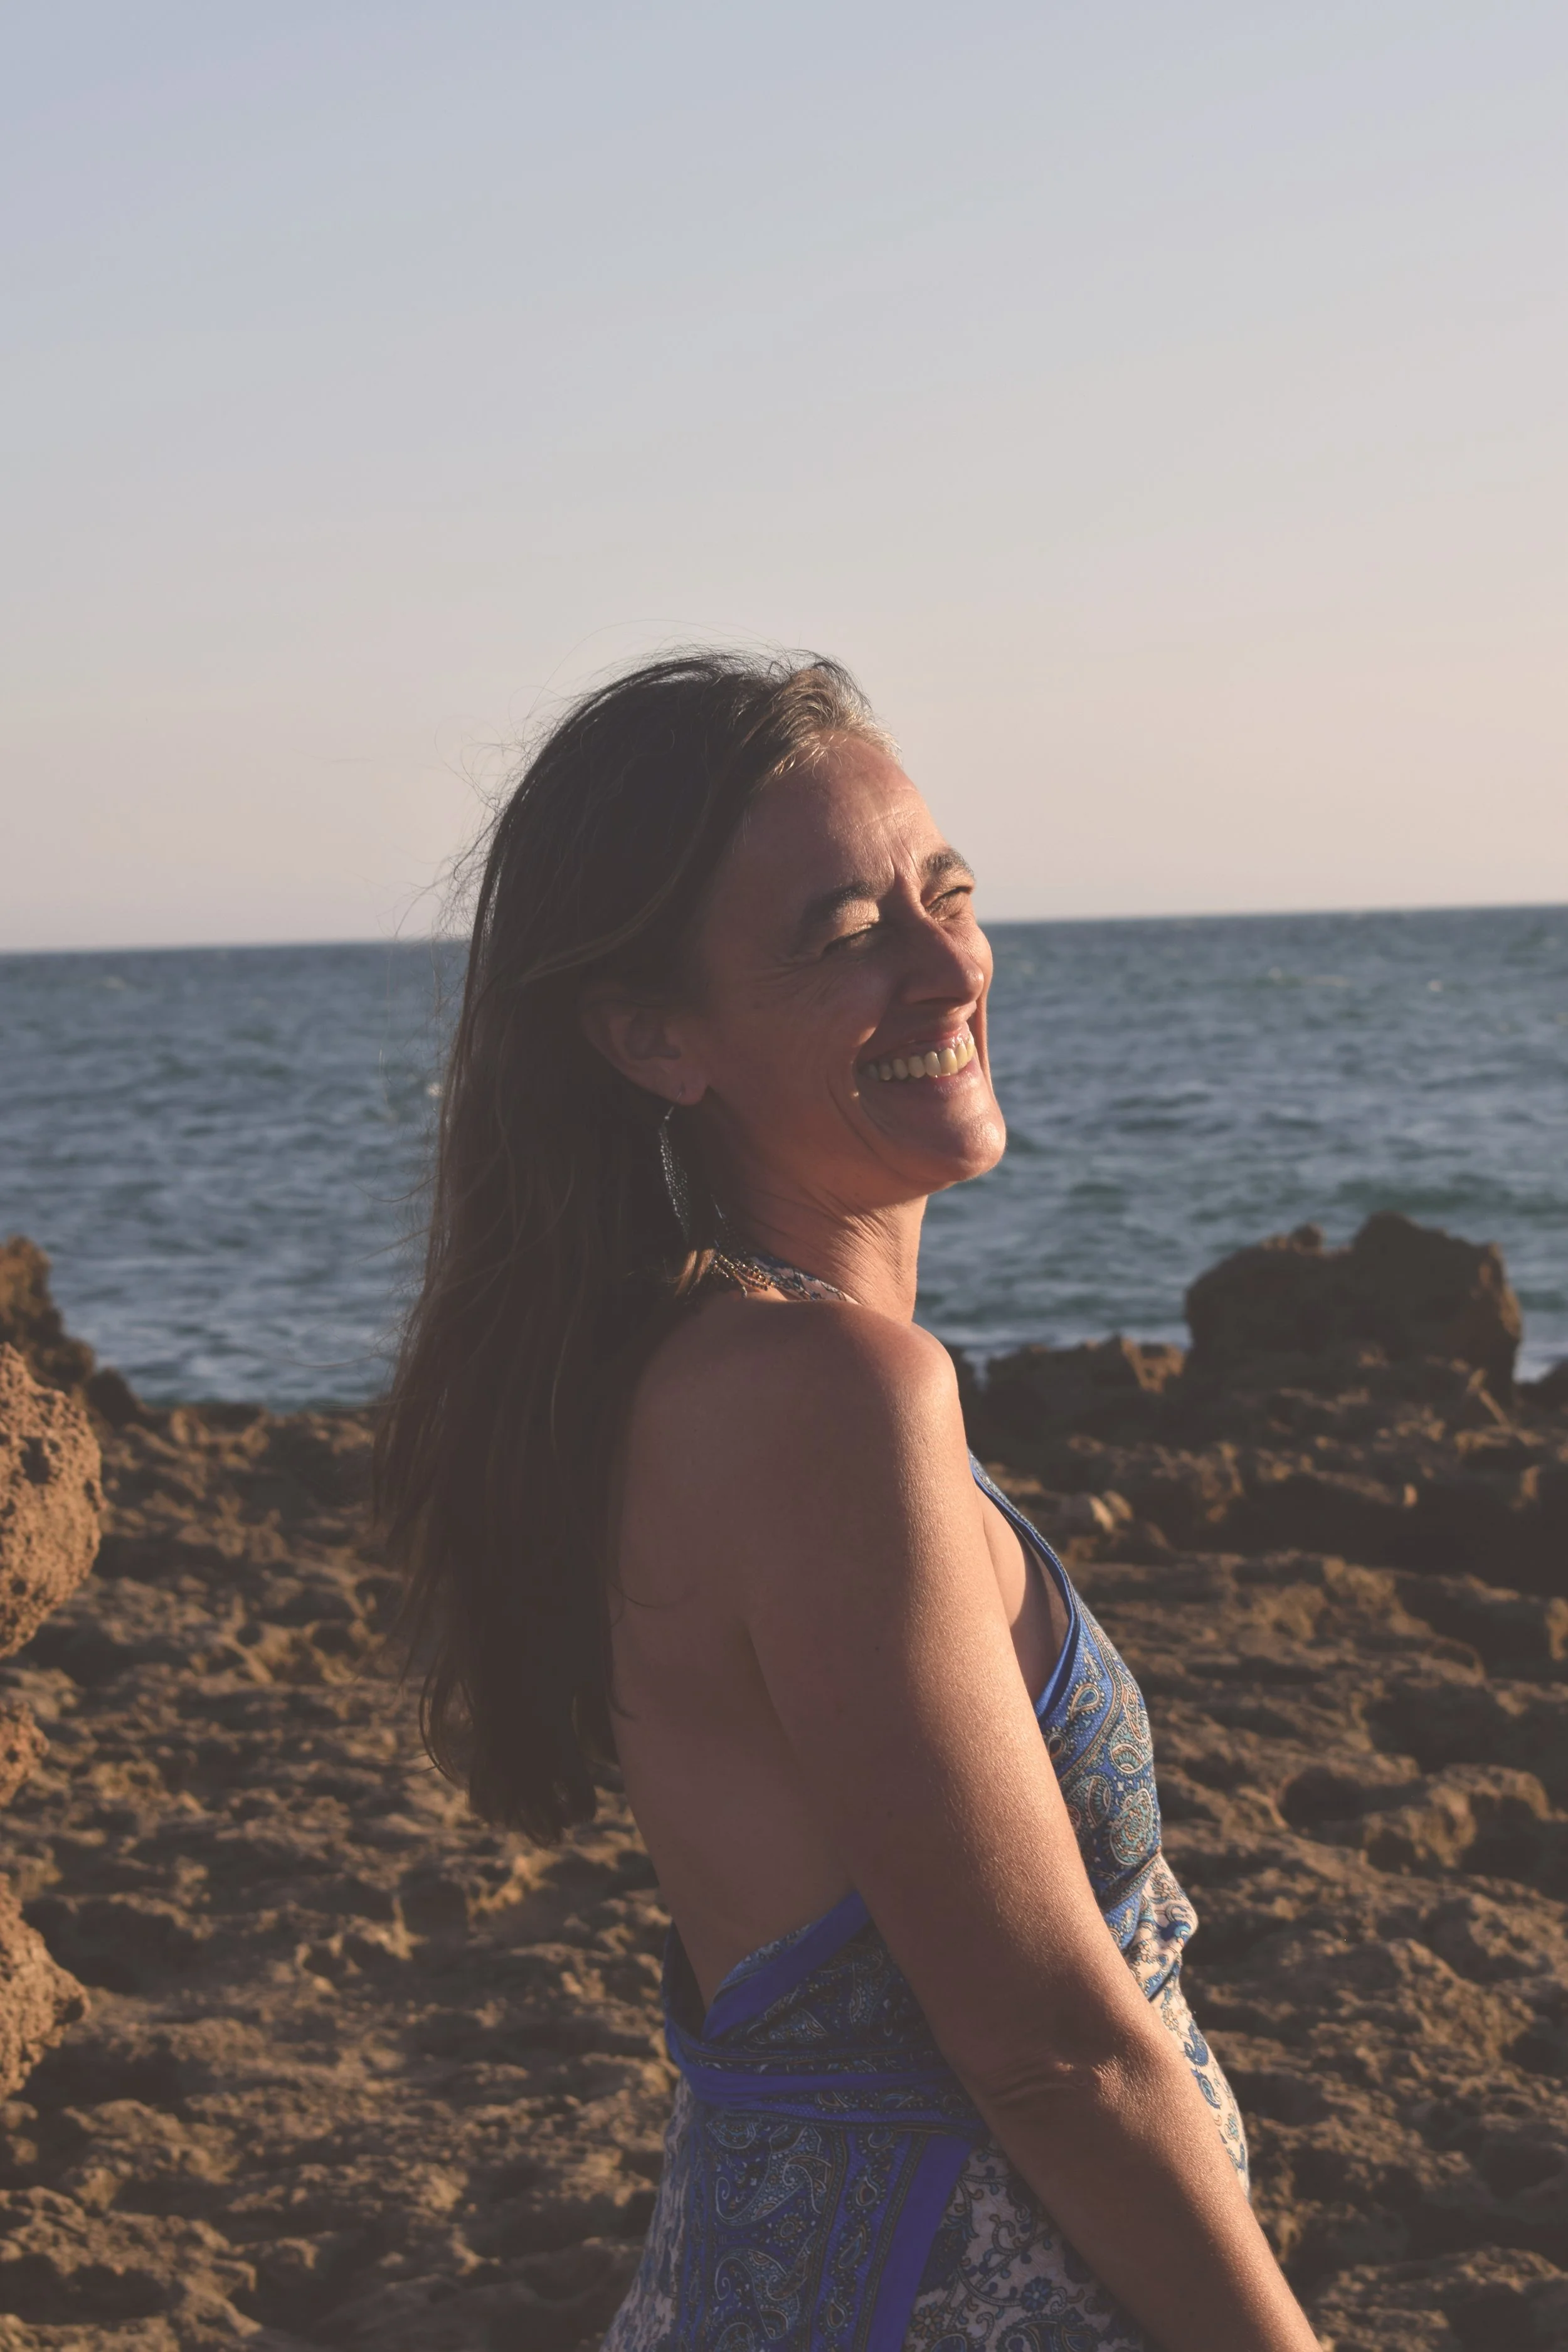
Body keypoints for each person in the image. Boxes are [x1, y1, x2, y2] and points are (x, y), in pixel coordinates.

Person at [378, 650, 1320, 2351]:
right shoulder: (824, 1402)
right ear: (655, 1035)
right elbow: (1045, 2042)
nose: (945, 963)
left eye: (943, 893)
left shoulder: (669, 1368)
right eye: (842, 934)